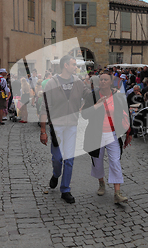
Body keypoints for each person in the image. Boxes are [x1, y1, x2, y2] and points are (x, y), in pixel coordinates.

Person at [40, 55, 92, 204]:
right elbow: (44, 107)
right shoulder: (51, 83)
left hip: (72, 126)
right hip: (57, 127)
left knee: (69, 159)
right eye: (73, 64)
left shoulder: (78, 82)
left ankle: (65, 189)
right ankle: (56, 174)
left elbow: (88, 95)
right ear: (65, 66)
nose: (75, 67)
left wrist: (101, 93)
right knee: (58, 159)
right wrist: (43, 130)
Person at [81, 70, 130, 204]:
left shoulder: (117, 96)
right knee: (97, 162)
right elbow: (84, 114)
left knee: (115, 162)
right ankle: (101, 182)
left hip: (112, 134)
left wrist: (128, 133)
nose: (102, 82)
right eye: (101, 80)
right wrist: (97, 106)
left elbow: (126, 113)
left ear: (110, 82)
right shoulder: (93, 95)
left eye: (105, 80)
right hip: (96, 135)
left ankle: (117, 193)